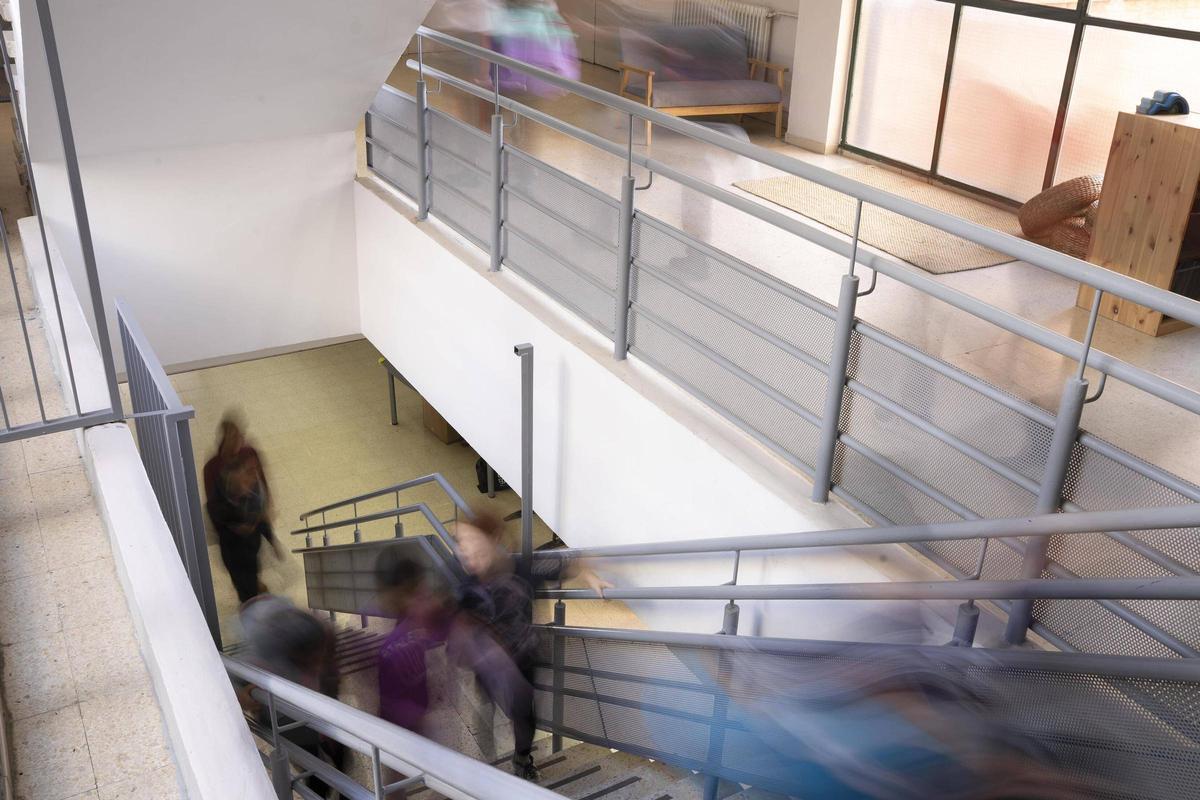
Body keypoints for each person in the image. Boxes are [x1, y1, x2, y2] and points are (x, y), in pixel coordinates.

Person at [451, 510, 610, 780]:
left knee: (525, 717)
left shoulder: (524, 569)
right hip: (489, 666)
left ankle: (521, 759)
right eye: (463, 548)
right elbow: (458, 624)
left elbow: (568, 561)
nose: (467, 556)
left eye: (473, 546)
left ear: (494, 540)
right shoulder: (467, 587)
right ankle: (485, 768)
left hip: (523, 661)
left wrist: (589, 575)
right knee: (486, 709)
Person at [238, 596, 346, 798]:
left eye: (320, 658)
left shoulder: (321, 630)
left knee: (340, 753)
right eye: (310, 662)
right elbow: (231, 680)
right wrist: (245, 696)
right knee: (315, 770)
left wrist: (330, 680)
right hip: (291, 722)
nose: (317, 665)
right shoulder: (263, 658)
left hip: (323, 705)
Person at [374, 547, 456, 733]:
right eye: (417, 592)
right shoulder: (401, 637)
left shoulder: (391, 649)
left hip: (410, 723)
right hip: (412, 719)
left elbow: (388, 702)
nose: (424, 597)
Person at [205, 416, 282, 603]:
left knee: (253, 563)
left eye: (239, 436)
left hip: (249, 538)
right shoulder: (214, 468)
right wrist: (234, 526)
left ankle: (254, 585)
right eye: (233, 438)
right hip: (233, 542)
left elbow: (261, 479)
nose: (238, 442)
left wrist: (264, 510)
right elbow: (214, 508)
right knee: (243, 581)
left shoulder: (249, 454)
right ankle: (249, 599)